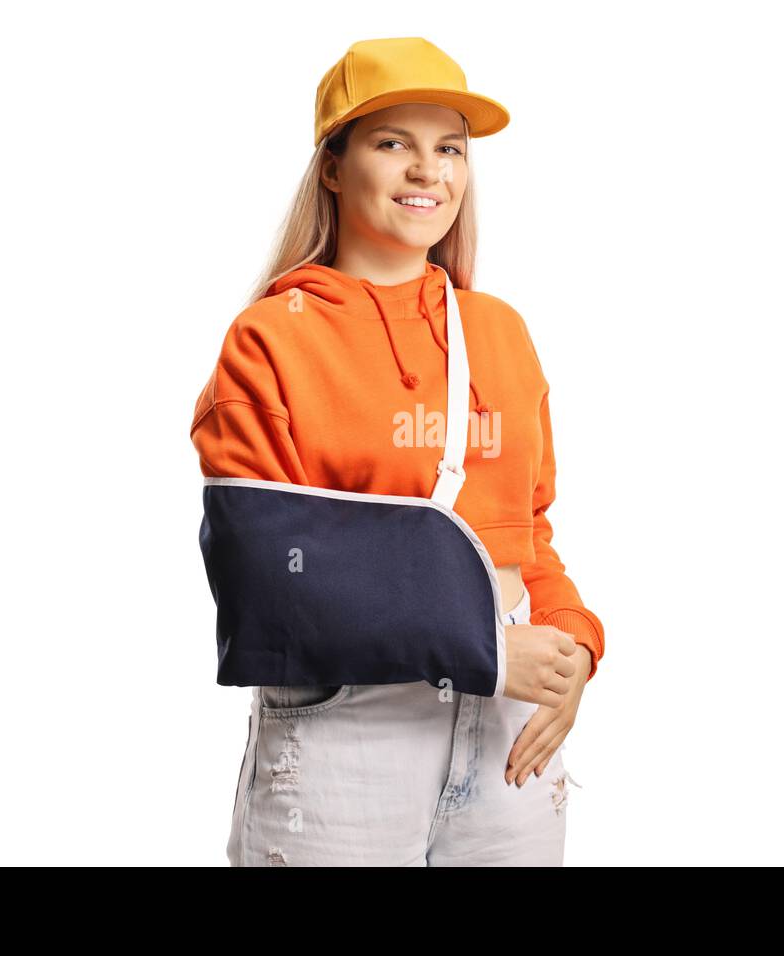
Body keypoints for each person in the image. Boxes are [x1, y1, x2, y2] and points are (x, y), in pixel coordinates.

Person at [190, 37, 605, 866]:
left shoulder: (500, 333)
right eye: (393, 144)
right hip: (350, 736)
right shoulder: (271, 340)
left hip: (508, 742)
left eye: (448, 148)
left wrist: (572, 649)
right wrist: (485, 649)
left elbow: (529, 531)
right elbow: (265, 583)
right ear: (335, 168)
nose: (429, 172)